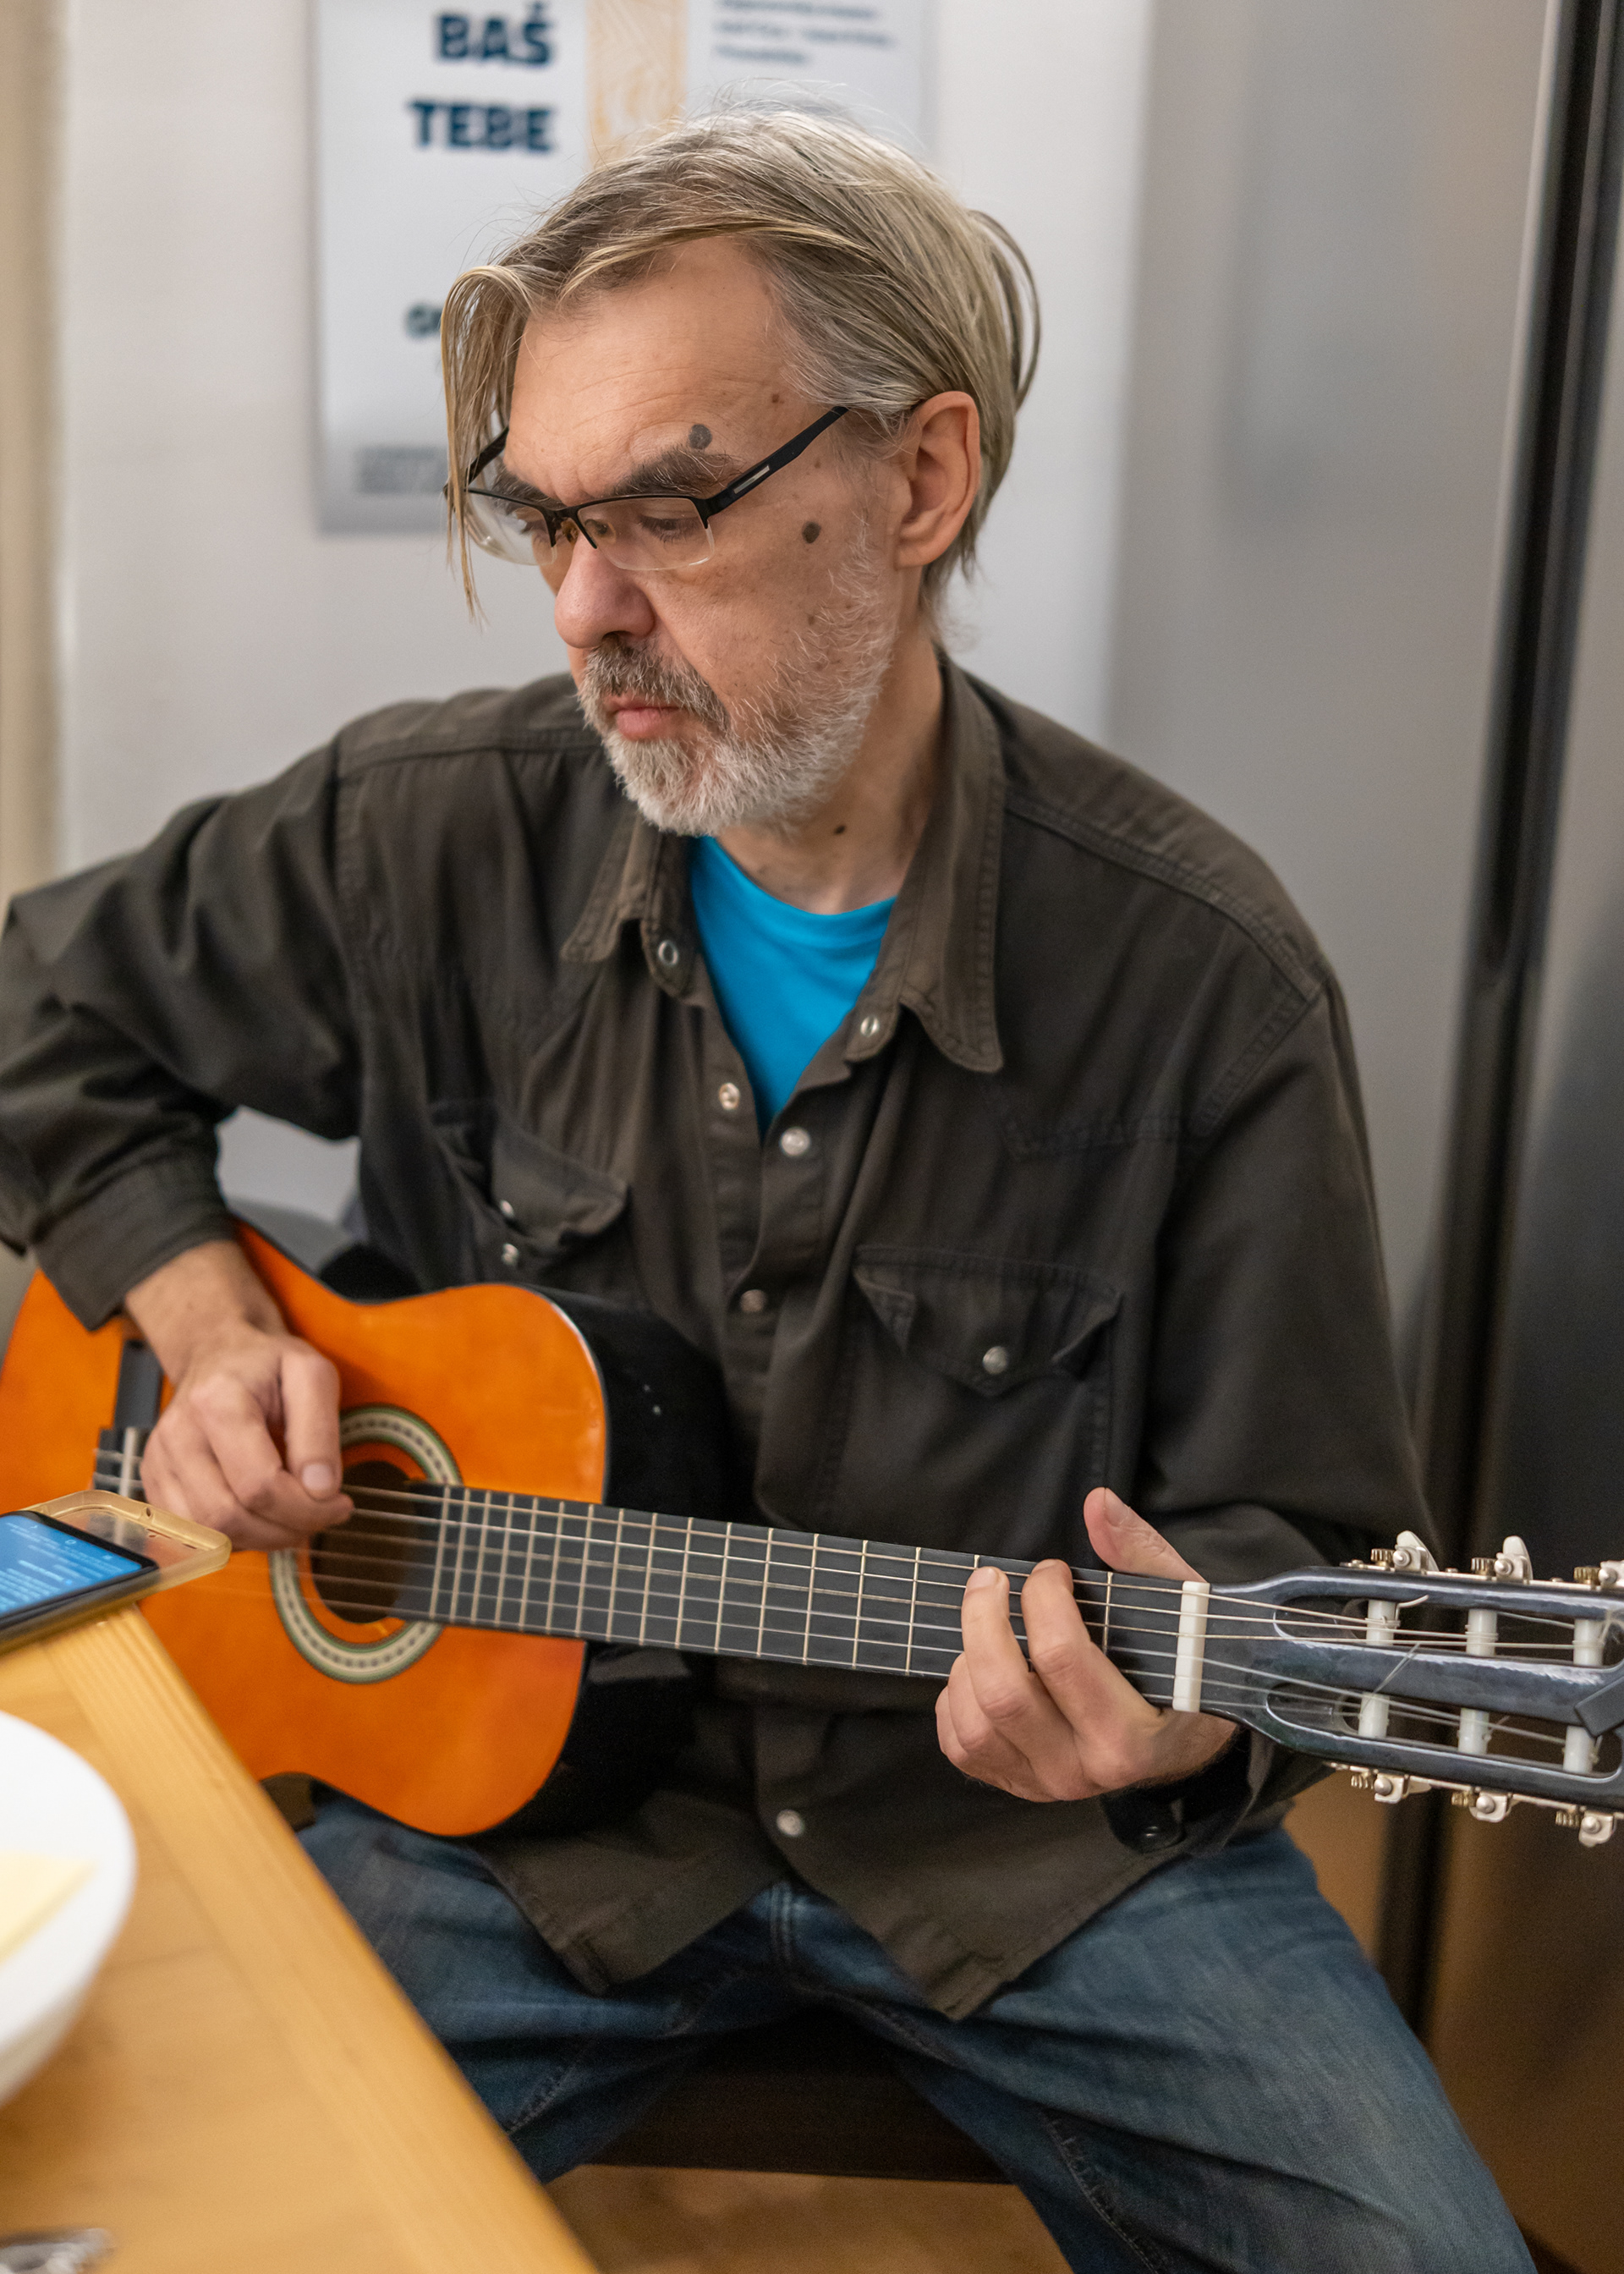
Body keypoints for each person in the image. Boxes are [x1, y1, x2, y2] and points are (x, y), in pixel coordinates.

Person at [0, 110, 1529, 2271]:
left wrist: (1175, 1709)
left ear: (920, 480)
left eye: (670, 508)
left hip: (1029, 1865)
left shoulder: (1204, 977)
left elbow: (1296, 1528)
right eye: (545, 519)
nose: (585, 609)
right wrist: (206, 1314)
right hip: (518, 1830)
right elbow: (37, 1008)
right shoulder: (428, 829)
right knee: (147, 2219)